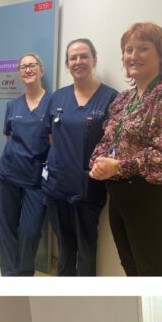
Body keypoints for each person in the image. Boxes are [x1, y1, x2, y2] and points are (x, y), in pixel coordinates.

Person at [88, 22, 162, 277]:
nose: (133, 56)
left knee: (152, 273)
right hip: (119, 198)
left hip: (151, 201)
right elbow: (107, 138)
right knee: (131, 270)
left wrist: (119, 166)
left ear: (161, 54)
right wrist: (98, 162)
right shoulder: (124, 98)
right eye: (128, 50)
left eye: (143, 48)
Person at [43, 39, 118, 275]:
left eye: (84, 56)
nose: (78, 62)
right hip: (57, 186)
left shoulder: (110, 98)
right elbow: (51, 137)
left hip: (88, 188)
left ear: (94, 60)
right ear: (67, 64)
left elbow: (115, 144)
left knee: (86, 250)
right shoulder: (57, 97)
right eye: (73, 58)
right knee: (65, 248)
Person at [0, 53, 51, 276]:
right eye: (23, 67)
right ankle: (9, 275)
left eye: (32, 65)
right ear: (19, 73)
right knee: (7, 230)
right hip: (8, 175)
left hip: (36, 181)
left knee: (30, 231)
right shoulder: (13, 105)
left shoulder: (53, 103)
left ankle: (24, 275)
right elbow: (8, 137)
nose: (27, 70)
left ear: (41, 70)